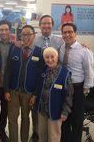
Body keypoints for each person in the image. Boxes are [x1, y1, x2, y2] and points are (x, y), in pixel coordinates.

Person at [5, 25, 43, 142]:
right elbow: (8, 71)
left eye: (29, 35)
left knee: (26, 118)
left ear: (34, 35)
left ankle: (24, 140)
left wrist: (35, 95)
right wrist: (6, 90)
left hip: (29, 92)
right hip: (13, 90)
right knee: (12, 118)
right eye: (23, 35)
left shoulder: (39, 52)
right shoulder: (14, 49)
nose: (26, 37)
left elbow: (40, 76)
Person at [31, 14, 64, 142]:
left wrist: (82, 45)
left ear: (52, 25)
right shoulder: (35, 40)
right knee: (38, 110)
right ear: (40, 26)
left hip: (54, 79)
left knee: (52, 108)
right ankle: (36, 133)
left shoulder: (59, 41)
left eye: (49, 23)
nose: (46, 25)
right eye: (43, 23)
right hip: (38, 79)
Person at [60, 23, 94, 142]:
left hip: (77, 89)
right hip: (63, 88)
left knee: (77, 120)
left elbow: (89, 71)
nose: (67, 34)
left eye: (70, 32)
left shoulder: (84, 51)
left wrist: (86, 89)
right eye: (64, 32)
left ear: (75, 33)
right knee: (64, 119)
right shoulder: (61, 47)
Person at [36, 47, 73, 142]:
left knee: (54, 136)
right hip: (42, 110)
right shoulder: (43, 71)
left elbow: (69, 95)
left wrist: (65, 111)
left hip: (55, 111)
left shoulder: (65, 74)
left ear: (57, 57)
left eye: (52, 57)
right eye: (47, 57)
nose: (50, 60)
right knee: (42, 134)